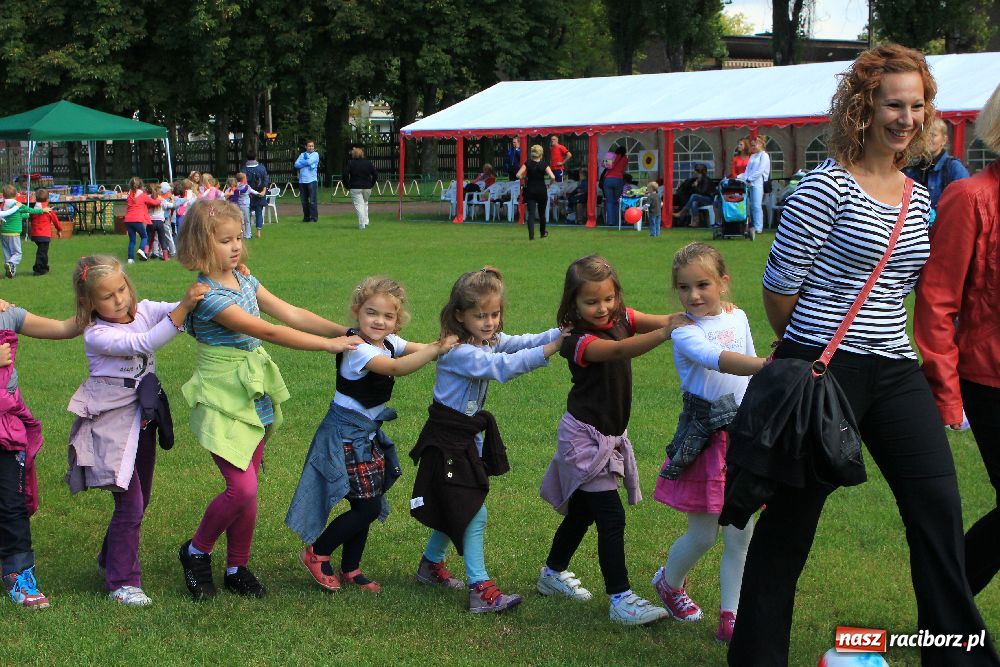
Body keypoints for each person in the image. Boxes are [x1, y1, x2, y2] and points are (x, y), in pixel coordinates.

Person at [730, 44, 998, 666]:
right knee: (791, 528)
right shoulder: (824, 185)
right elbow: (779, 288)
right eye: (892, 104)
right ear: (862, 107)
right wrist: (812, 348)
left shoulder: (920, 194)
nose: (905, 117)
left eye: (916, 105)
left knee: (937, 509)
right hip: (826, 370)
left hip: (897, 367)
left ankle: (960, 657)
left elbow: (904, 286)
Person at [174, 199, 361, 601]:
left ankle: (237, 566)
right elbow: (270, 332)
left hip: (251, 392)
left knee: (251, 486)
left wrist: (345, 330)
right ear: (200, 246)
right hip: (222, 394)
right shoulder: (208, 296)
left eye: (238, 237)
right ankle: (195, 552)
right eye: (225, 240)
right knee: (240, 488)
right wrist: (331, 345)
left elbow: (290, 313)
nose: (236, 246)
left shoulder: (245, 281)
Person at [536, 256, 688, 626]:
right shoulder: (578, 340)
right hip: (583, 440)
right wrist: (666, 334)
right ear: (573, 304)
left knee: (584, 513)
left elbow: (668, 319)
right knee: (610, 515)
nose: (603, 308)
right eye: (591, 302)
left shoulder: (622, 317)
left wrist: (708, 314)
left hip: (607, 436)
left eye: (609, 298)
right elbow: (619, 350)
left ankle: (551, 574)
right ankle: (621, 599)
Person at [410, 267, 564, 613]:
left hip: (465, 439)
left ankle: (430, 565)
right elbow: (504, 368)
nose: (490, 322)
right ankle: (480, 588)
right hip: (447, 441)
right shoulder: (460, 352)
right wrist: (556, 347)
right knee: (472, 512)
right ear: (460, 315)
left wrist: (561, 330)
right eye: (481, 316)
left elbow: (520, 342)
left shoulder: (488, 340)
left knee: (459, 505)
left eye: (494, 314)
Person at [288, 277, 457, 594]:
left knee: (365, 502)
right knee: (367, 506)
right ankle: (317, 552)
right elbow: (397, 368)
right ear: (356, 312)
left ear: (397, 320)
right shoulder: (358, 349)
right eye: (371, 313)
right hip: (345, 433)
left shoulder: (389, 341)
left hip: (365, 433)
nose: (379, 321)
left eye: (388, 316)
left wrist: (449, 349)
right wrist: (436, 348)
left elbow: (416, 350)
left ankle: (351, 568)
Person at [66, 255, 208, 606]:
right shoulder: (97, 334)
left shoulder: (143, 309)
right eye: (108, 296)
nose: (119, 300)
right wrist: (183, 309)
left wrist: (216, 285)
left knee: (140, 502)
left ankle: (110, 558)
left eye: (122, 288)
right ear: (88, 303)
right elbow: (143, 343)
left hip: (142, 421)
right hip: (111, 425)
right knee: (129, 505)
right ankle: (122, 582)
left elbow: (178, 307)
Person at [651, 243, 765, 643]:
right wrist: (768, 364)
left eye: (703, 284)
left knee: (741, 533)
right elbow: (717, 358)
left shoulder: (740, 316)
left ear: (723, 283)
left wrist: (763, 393)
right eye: (684, 287)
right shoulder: (684, 331)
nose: (693, 295)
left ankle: (731, 617)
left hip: (744, 436)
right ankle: (669, 583)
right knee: (703, 535)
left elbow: (749, 374)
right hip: (705, 440)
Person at [914, 82, 1000, 597]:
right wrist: (947, 394)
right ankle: (947, 603)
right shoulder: (970, 197)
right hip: (987, 380)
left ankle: (945, 601)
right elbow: (937, 301)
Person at [0, 298, 80, 609]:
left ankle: (19, 574)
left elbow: (63, 327)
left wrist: (94, 304)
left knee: (12, 505)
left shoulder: (7, 316)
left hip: (6, 431)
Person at [904, 116, 970, 216]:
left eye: (933, 135)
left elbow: (967, 200)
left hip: (945, 226)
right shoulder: (913, 169)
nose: (928, 139)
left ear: (944, 140)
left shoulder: (954, 167)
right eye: (925, 135)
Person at [1, 185, 48, 279]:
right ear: (15, 194)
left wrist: (26, 215)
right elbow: (31, 210)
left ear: (4, 195)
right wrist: (43, 210)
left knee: (7, 253)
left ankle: (9, 272)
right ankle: (11, 264)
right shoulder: (18, 204)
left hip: (3, 233)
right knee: (17, 253)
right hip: (14, 233)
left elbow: (16, 216)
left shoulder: (3, 205)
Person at [516, 146, 555, 241]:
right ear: (541, 154)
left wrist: (524, 178)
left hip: (530, 190)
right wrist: (549, 184)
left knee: (531, 214)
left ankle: (531, 236)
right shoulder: (544, 164)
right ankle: (542, 233)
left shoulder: (528, 163)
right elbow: (553, 177)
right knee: (542, 213)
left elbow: (518, 175)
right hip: (541, 189)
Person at [737, 135, 770, 235]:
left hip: (758, 183)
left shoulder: (764, 155)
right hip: (749, 183)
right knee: (750, 206)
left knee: (756, 205)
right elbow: (748, 170)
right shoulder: (752, 156)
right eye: (752, 146)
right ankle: (751, 225)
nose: (753, 147)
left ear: (760, 144)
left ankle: (758, 227)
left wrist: (750, 179)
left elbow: (760, 170)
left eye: (754, 145)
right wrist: (741, 177)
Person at [123, 177, 158, 265]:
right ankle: (141, 250)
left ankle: (130, 259)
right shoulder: (143, 196)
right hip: (137, 219)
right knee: (144, 236)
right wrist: (160, 200)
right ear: (141, 185)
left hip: (128, 220)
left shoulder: (129, 195)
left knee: (132, 241)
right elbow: (154, 202)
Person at [27, 189, 62, 275]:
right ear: (48, 200)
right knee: (42, 252)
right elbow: (56, 221)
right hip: (44, 235)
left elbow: (30, 218)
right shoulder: (48, 211)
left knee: (43, 251)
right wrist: (59, 230)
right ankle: (38, 269)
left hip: (35, 234)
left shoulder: (34, 209)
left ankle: (44, 267)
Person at [344, 147, 378, 230]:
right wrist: (371, 184)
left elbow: (345, 175)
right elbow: (375, 174)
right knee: (365, 203)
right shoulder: (368, 163)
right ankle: (366, 221)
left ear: (353, 154)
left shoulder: (350, 163)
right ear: (362, 154)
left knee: (359, 206)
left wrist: (347, 186)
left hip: (355, 187)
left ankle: (362, 224)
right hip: (367, 187)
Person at [294, 139, 320, 222]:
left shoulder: (315, 154)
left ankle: (313, 218)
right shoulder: (302, 154)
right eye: (309, 146)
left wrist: (303, 162)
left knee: (312, 200)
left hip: (312, 180)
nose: (311, 147)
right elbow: (296, 164)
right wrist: (306, 162)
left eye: (312, 146)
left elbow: (309, 162)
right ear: (306, 147)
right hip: (302, 181)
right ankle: (306, 217)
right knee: (304, 201)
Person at [244, 149, 269, 230]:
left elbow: (242, 183)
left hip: (248, 195)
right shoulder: (262, 168)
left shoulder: (243, 169)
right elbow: (265, 180)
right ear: (256, 157)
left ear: (247, 157)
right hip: (260, 193)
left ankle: (248, 231)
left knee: (247, 214)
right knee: (259, 213)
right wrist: (264, 191)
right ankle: (258, 231)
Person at [602, 146, 627, 226]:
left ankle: (610, 221)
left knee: (609, 201)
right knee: (617, 201)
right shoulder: (625, 158)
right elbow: (624, 170)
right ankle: (617, 221)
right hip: (618, 179)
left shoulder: (610, 156)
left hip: (608, 179)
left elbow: (604, 165)